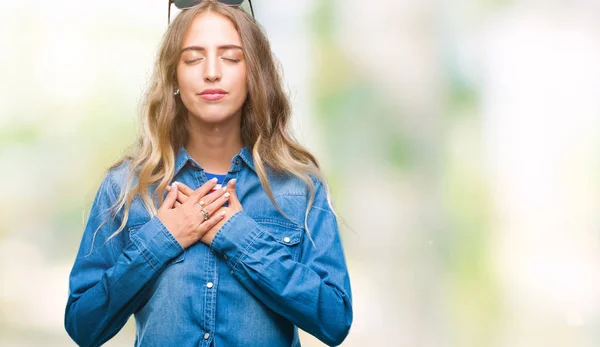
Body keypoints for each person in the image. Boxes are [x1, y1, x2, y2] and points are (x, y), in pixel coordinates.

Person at [64, 1, 353, 346]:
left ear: (253, 73)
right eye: (193, 58)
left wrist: (239, 235)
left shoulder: (300, 189)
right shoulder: (126, 187)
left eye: (231, 58)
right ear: (174, 75)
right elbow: (83, 325)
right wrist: (162, 238)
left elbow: (335, 321)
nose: (212, 72)